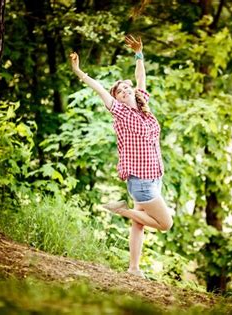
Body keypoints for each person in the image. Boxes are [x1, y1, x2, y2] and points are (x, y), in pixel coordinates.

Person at [70, 35, 173, 279]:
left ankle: (133, 269)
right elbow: (98, 88)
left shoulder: (143, 107)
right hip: (141, 183)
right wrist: (78, 71)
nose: (125, 90)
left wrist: (139, 54)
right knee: (165, 223)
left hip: (154, 177)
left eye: (126, 88)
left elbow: (140, 77)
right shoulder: (121, 113)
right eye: (119, 91)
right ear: (116, 98)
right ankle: (121, 209)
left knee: (140, 224)